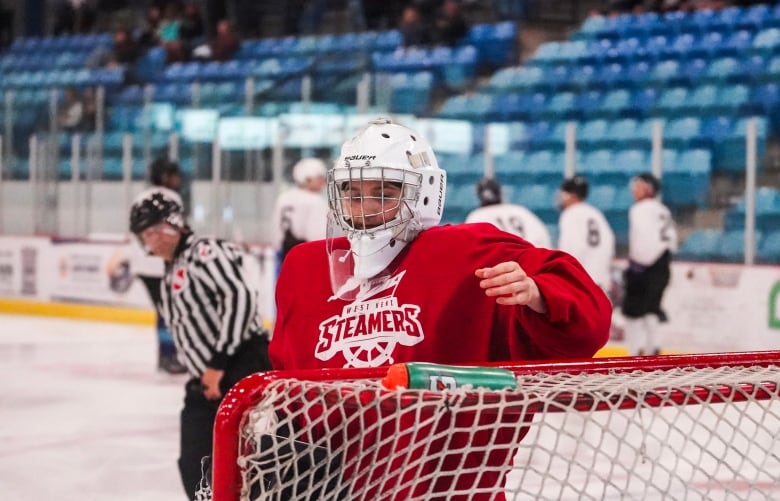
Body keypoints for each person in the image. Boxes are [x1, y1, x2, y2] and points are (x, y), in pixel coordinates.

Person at [267, 118, 611, 498]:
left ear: (423, 194)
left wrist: (538, 294)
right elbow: (285, 383)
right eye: (352, 191)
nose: (364, 207)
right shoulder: (304, 268)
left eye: (384, 192)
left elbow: (586, 323)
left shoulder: (469, 253)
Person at [129, 189, 272, 501]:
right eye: (148, 233)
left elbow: (239, 298)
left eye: (162, 228)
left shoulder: (203, 251)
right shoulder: (172, 270)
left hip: (238, 364)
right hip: (209, 377)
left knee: (255, 456)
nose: (156, 238)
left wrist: (217, 365)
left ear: (178, 223)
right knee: (197, 461)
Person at [622, 173, 678, 356]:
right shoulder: (663, 210)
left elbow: (643, 240)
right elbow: (673, 240)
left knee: (632, 310)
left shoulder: (640, 209)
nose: (633, 189)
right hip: (663, 264)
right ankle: (653, 348)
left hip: (645, 265)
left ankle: (634, 353)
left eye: (637, 185)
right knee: (652, 308)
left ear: (648, 188)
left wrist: (636, 267)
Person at [557, 175, 615, 291]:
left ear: (569, 195)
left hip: (581, 280)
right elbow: (610, 241)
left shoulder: (570, 214)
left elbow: (571, 248)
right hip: (601, 278)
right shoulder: (595, 213)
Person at [269, 157, 328, 263]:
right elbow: (317, 235)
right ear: (308, 179)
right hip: (307, 254)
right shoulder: (316, 201)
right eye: (320, 177)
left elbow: (276, 228)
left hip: (285, 253)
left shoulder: (284, 197)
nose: (324, 181)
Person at [465, 177, 553, 248]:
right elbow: (543, 237)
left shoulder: (476, 215)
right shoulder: (520, 210)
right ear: (500, 193)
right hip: (531, 260)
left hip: (500, 265)